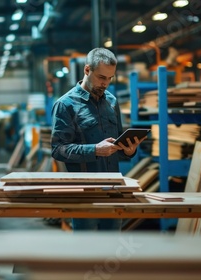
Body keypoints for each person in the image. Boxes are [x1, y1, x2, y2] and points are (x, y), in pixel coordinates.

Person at [51, 47, 146, 231]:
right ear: (87, 70)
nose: (106, 84)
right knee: (88, 252)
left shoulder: (111, 101)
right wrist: (94, 150)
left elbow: (117, 144)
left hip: (113, 190)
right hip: (85, 194)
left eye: (110, 78)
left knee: (110, 249)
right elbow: (58, 149)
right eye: (102, 77)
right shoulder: (65, 105)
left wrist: (128, 150)